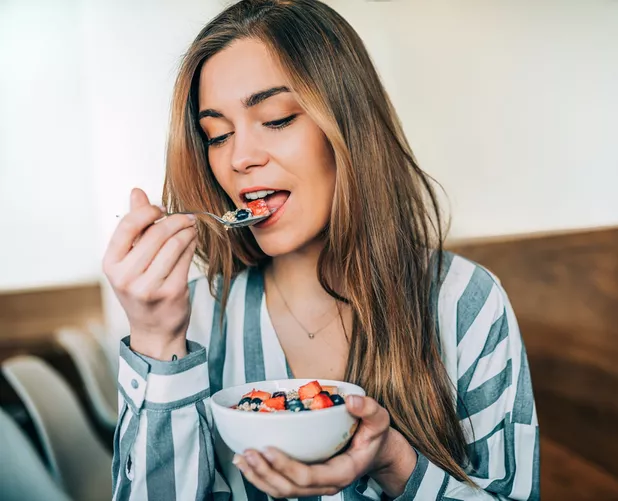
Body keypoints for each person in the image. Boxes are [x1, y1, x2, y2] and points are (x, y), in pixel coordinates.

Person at [103, 1, 539, 499]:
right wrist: (157, 343)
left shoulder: (465, 303)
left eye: (277, 119)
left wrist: (394, 461)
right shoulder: (194, 318)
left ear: (348, 127)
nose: (239, 158)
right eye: (218, 135)